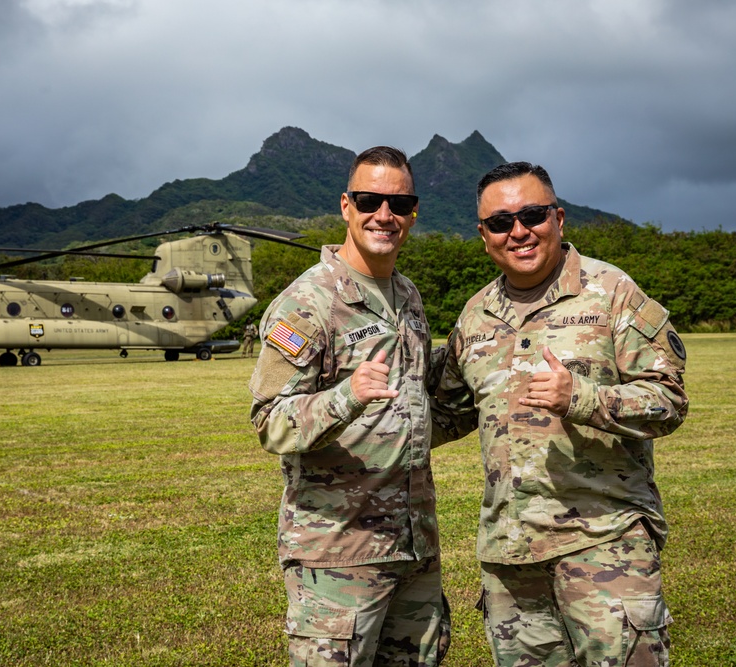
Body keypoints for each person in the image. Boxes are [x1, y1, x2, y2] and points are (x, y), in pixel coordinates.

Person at [436, 161, 689, 667]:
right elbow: (448, 412)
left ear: (559, 218)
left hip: (603, 545)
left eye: (532, 214)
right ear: (484, 235)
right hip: (510, 558)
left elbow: (669, 400)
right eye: (501, 222)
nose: (519, 231)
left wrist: (584, 397)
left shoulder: (611, 292)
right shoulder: (476, 315)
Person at [249, 146, 451, 666]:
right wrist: (346, 396)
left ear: (413, 212)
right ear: (346, 206)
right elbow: (270, 422)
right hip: (338, 553)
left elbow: (412, 409)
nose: (384, 214)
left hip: (412, 549)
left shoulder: (407, 296)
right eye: (369, 200)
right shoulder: (308, 303)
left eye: (398, 203)